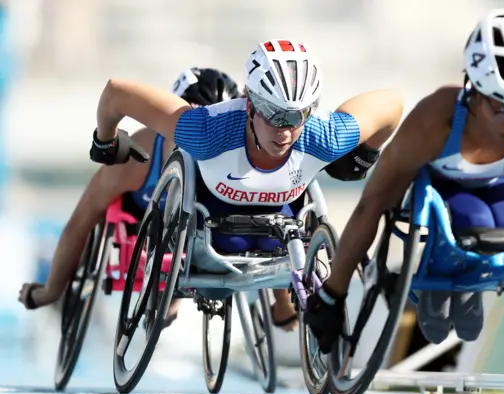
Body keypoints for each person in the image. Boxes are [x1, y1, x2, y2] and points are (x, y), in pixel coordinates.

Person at [303, 9, 504, 353]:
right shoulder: (433, 121)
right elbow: (373, 204)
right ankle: (440, 276)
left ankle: (467, 279)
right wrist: (333, 294)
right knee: (470, 231)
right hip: (449, 197)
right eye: (503, 107)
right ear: (474, 91)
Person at [85, 38, 403, 332]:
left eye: (296, 117)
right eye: (274, 115)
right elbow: (116, 92)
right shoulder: (206, 130)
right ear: (250, 104)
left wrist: (363, 158)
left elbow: (393, 104)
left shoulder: (324, 136)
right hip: (206, 231)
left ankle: (286, 301)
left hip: (280, 232)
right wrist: (106, 140)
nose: (285, 131)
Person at [18, 67, 241, 328]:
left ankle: (171, 297)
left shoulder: (240, 156)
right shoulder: (140, 155)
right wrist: (51, 290)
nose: (203, 145)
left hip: (197, 224)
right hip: (140, 210)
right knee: (97, 213)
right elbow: (81, 219)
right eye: (195, 130)